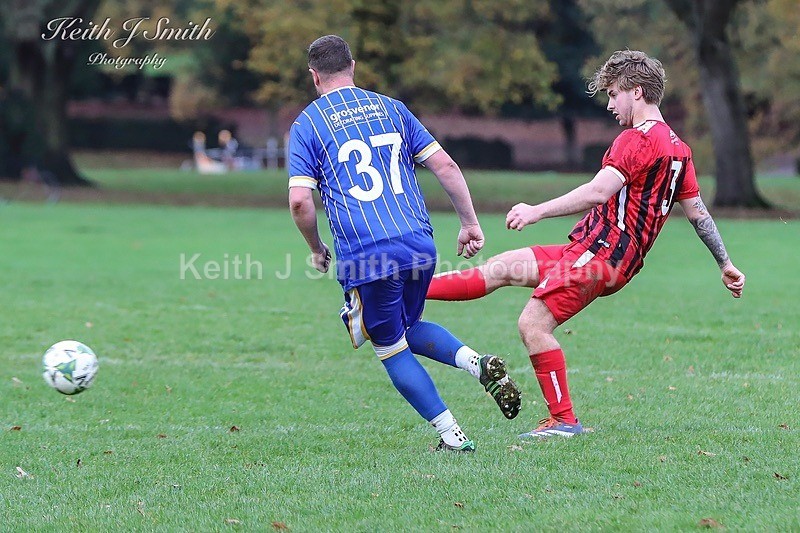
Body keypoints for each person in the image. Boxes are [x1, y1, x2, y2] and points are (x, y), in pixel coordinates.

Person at [427, 50, 746, 438]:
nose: (610, 105)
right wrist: (725, 262)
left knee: (533, 324)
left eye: (614, 94)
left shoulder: (638, 139)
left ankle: (563, 421)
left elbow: (598, 192)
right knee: (501, 268)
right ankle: (407, 288)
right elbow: (699, 214)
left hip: (601, 256)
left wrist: (536, 211)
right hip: (594, 252)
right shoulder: (679, 147)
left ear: (638, 92)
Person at [287, 35, 521, 452]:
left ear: (314, 75)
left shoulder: (307, 124)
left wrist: (316, 247)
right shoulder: (393, 109)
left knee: (389, 345)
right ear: (353, 66)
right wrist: (468, 222)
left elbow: (300, 200)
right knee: (407, 327)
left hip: (367, 252)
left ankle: (453, 435)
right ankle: (476, 363)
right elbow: (445, 165)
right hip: (418, 242)